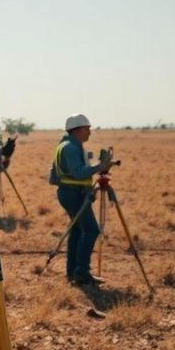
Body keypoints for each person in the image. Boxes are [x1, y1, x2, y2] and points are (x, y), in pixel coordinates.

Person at [51, 113, 112, 286]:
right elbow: (78, 173)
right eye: (87, 129)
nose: (90, 132)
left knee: (78, 231)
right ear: (77, 129)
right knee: (91, 230)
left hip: (72, 192)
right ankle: (81, 273)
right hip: (73, 193)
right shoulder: (70, 147)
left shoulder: (68, 145)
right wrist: (100, 166)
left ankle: (73, 272)